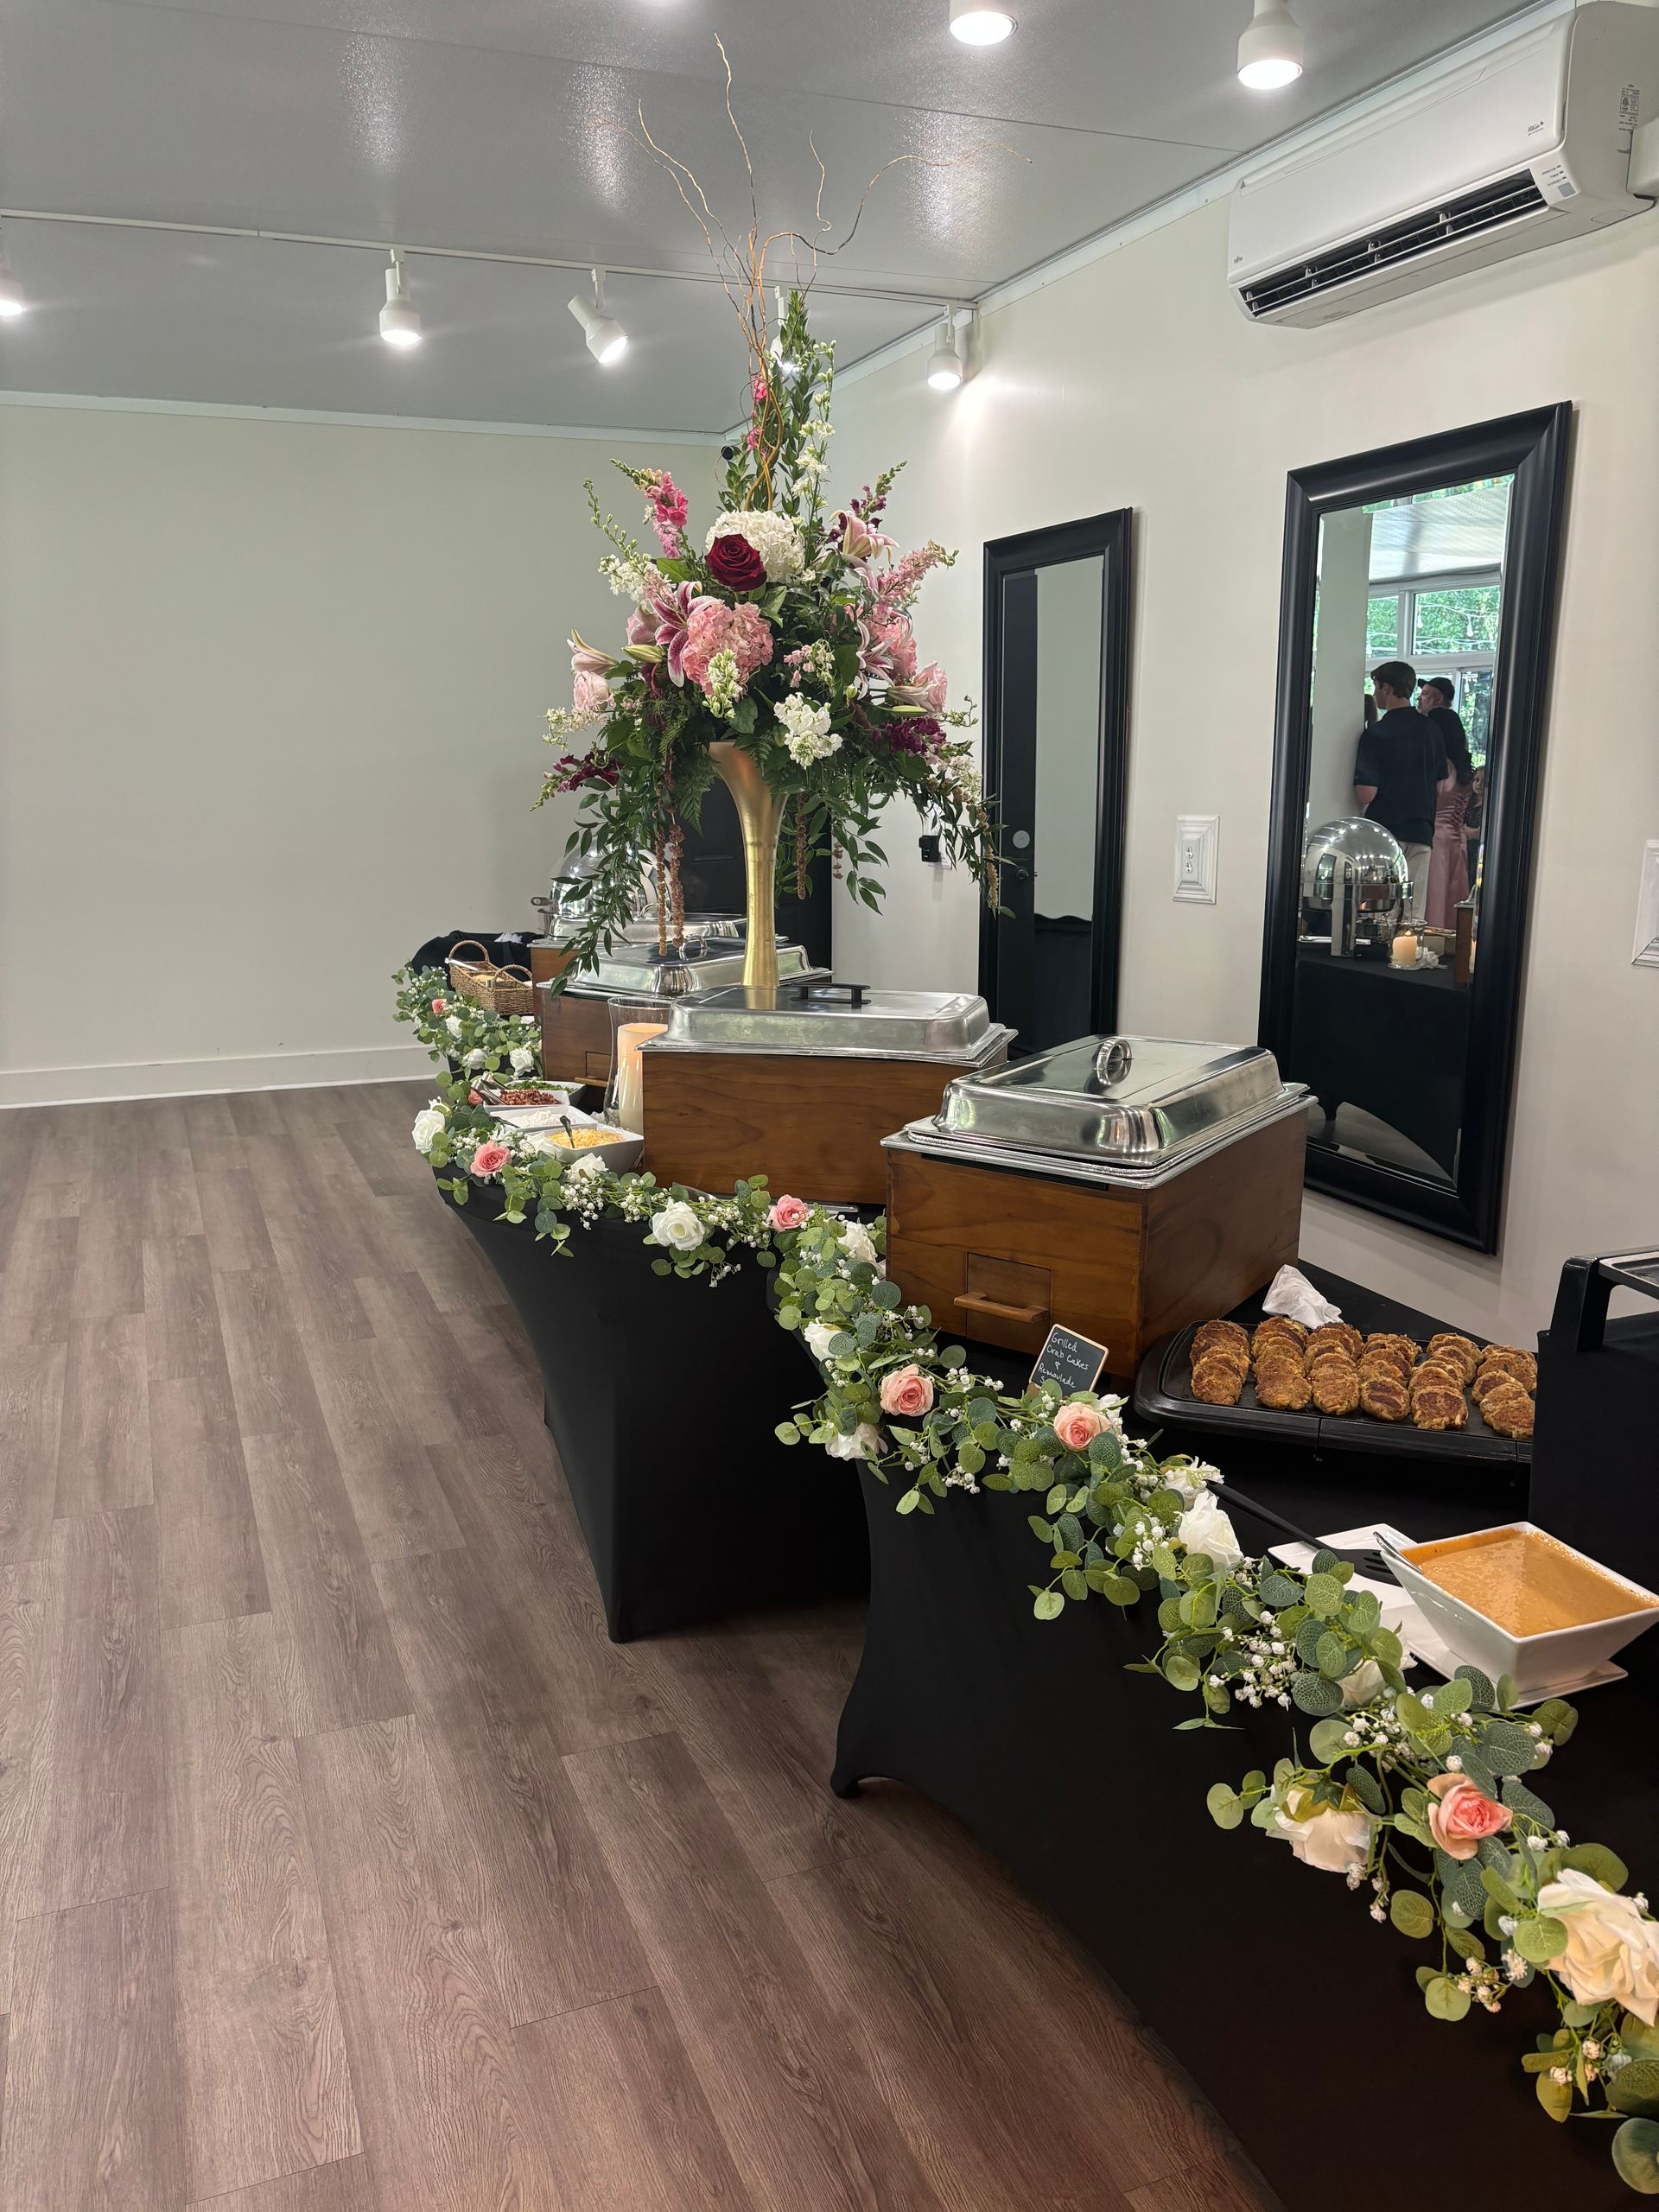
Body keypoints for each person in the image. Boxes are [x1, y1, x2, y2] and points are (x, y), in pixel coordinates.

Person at [1354, 660, 1446, 925]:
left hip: (1386, 832)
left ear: (1387, 687)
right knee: (1413, 913)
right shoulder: (1431, 730)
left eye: (1375, 686)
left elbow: (1365, 794)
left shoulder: (1376, 733)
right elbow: (1439, 784)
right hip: (1422, 829)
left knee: (1383, 913)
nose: (1374, 694)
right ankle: (1409, 959)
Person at [1418, 676, 1475, 929]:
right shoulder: (1464, 770)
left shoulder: (1442, 768)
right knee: (1452, 897)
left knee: (1434, 899)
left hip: (1436, 839)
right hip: (1457, 840)